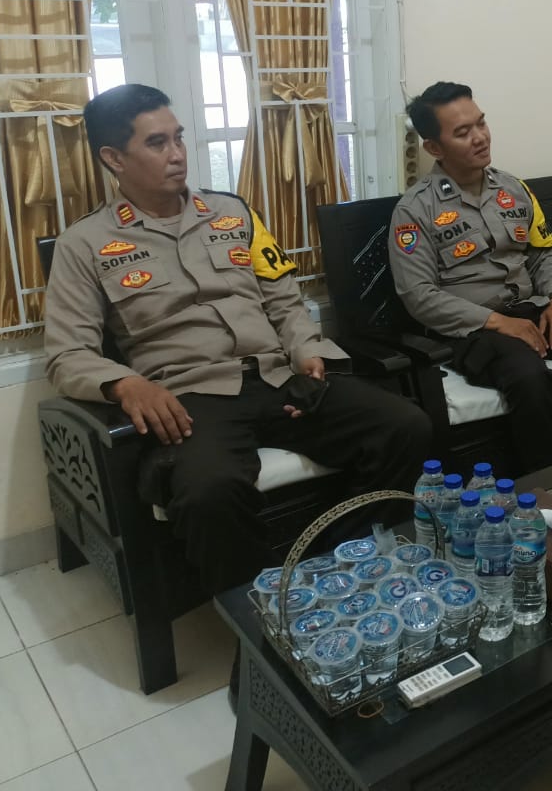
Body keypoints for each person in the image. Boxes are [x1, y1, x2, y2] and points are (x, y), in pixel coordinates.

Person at [44, 84, 432, 597]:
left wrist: (306, 348)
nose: (177, 154)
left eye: (179, 137)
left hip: (278, 377)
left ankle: (338, 564)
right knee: (208, 491)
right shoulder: (84, 244)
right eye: (157, 143)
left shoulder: (232, 213)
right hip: (193, 398)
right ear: (113, 158)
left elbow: (284, 301)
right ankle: (259, 610)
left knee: (405, 426)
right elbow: (67, 354)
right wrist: (125, 385)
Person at [388, 81, 552, 471]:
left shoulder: (513, 189)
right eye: (462, 132)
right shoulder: (415, 210)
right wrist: (499, 322)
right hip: (475, 330)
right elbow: (418, 295)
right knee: (529, 376)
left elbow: (542, 251)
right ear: (434, 147)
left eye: (481, 123)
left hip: (534, 309)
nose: (480, 137)